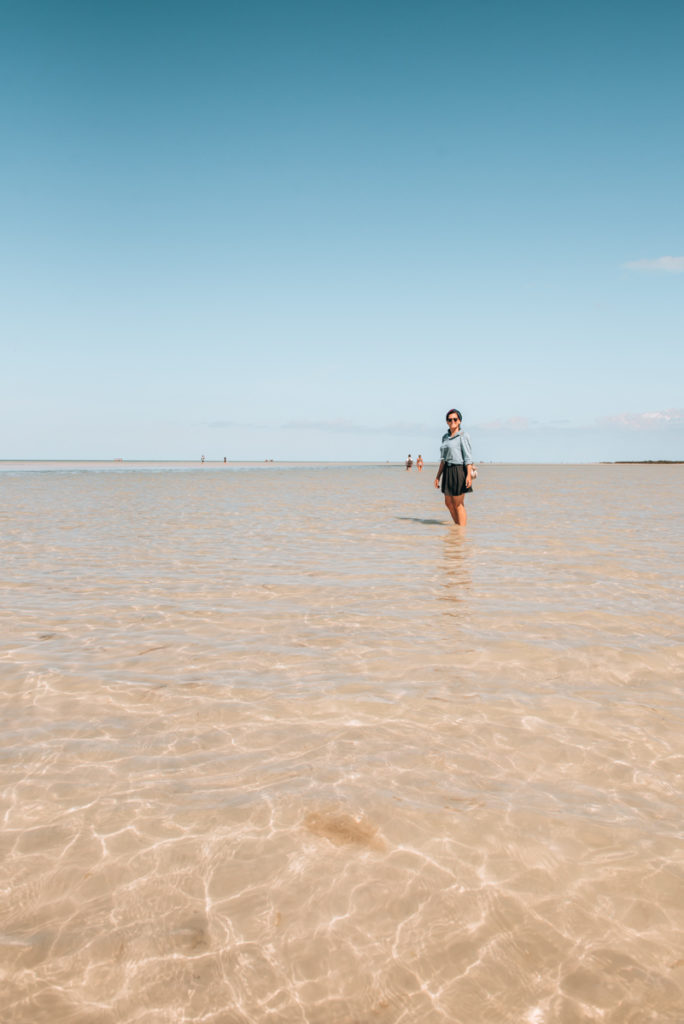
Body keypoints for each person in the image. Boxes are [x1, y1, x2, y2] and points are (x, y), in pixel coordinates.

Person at [434, 408, 473, 526]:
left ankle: (462, 531)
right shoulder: (445, 437)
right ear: (447, 422)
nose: (452, 421)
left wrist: (468, 476)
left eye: (455, 419)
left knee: (458, 503)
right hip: (447, 471)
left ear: (459, 421)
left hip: (459, 470)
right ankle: (457, 528)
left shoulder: (463, 436)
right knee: (448, 503)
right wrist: (437, 477)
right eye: (449, 419)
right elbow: (443, 459)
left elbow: (468, 458)